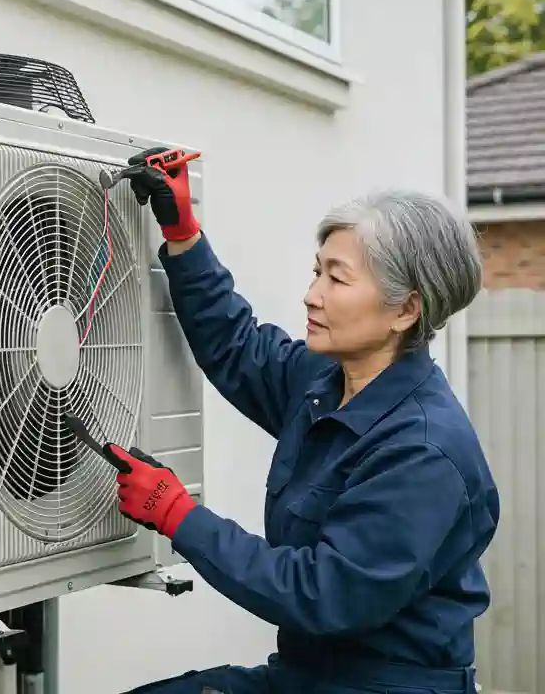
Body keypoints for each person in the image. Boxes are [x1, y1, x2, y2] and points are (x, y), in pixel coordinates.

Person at [107, 148, 499, 694]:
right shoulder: (324, 382)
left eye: (337, 280)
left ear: (406, 309)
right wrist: (183, 232)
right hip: (306, 677)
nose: (311, 295)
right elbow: (236, 345)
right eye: (318, 271)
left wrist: (178, 514)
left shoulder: (423, 451)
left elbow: (322, 594)